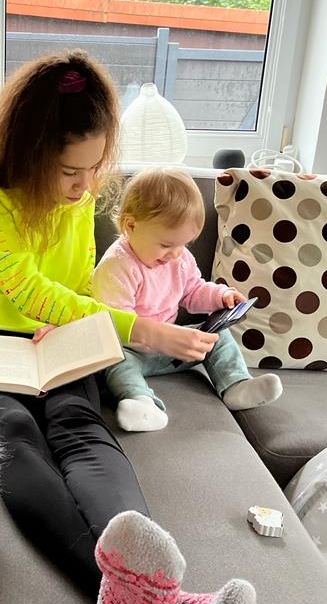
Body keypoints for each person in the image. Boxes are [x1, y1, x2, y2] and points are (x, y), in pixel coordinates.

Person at [0, 51, 256, 604]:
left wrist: (79, 326)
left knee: (81, 429)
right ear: (27, 152)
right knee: (14, 437)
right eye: (68, 172)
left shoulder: (79, 194)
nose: (84, 187)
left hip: (59, 334)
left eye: (94, 168)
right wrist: (144, 328)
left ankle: (149, 597)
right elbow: (25, 288)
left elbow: (78, 277)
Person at [92, 167, 283, 432]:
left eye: (184, 244)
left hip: (174, 349)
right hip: (132, 351)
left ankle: (236, 384)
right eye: (166, 245)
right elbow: (113, 324)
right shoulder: (117, 266)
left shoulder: (179, 258)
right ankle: (141, 402)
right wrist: (160, 338)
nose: (175, 254)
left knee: (217, 336)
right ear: (131, 226)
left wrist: (221, 296)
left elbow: (193, 290)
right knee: (115, 361)